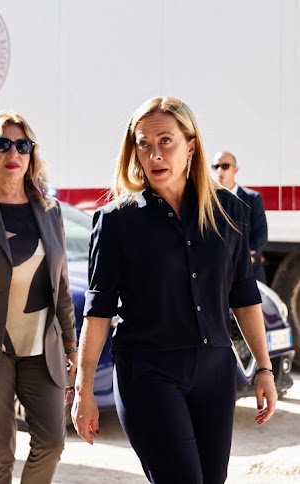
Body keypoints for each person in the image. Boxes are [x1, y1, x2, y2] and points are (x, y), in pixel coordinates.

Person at [72, 96, 278, 484]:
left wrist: (263, 368)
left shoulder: (230, 212)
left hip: (216, 372)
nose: (154, 154)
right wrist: (84, 389)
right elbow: (98, 310)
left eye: (166, 141)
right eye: (143, 143)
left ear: (191, 145)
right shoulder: (117, 221)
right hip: (148, 373)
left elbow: (244, 295)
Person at [0, 110, 77, 483]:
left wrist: (72, 345)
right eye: (3, 144)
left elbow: (60, 285)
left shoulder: (49, 209)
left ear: (31, 155)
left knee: (52, 442)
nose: (14, 152)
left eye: (22, 145)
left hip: (42, 348)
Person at [211, 151, 268, 283]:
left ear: (235, 170)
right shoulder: (207, 201)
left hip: (249, 271)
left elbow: (261, 234)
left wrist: (243, 256)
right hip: (220, 274)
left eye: (225, 166)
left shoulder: (252, 198)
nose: (220, 170)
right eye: (215, 166)